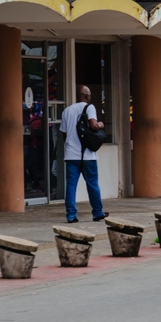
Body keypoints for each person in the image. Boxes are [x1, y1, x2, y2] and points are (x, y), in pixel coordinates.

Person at [59, 86, 105, 223]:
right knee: (92, 184)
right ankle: (97, 213)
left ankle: (71, 215)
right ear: (86, 95)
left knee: (71, 185)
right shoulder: (89, 107)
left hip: (71, 155)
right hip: (87, 155)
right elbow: (93, 125)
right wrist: (100, 125)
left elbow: (64, 134)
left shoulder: (66, 111)